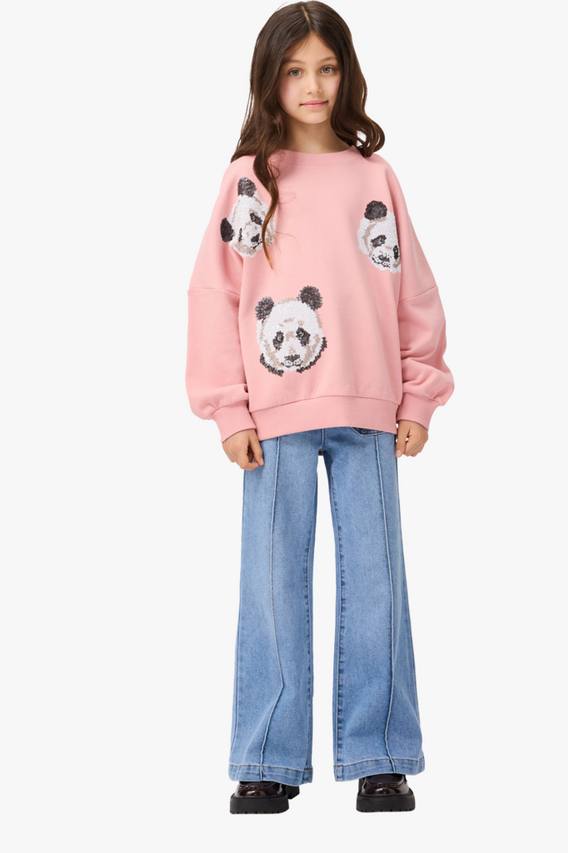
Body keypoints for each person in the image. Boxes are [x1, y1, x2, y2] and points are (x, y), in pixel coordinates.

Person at [185, 1, 454, 814]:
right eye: (296, 70)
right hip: (273, 420)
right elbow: (214, 294)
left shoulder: (375, 177)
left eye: (327, 68)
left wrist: (419, 391)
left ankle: (381, 755)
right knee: (273, 586)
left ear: (347, 74)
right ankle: (267, 756)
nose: (313, 85)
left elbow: (412, 289)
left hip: (373, 411)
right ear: (270, 78)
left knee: (377, 586)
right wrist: (229, 408)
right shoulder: (251, 179)